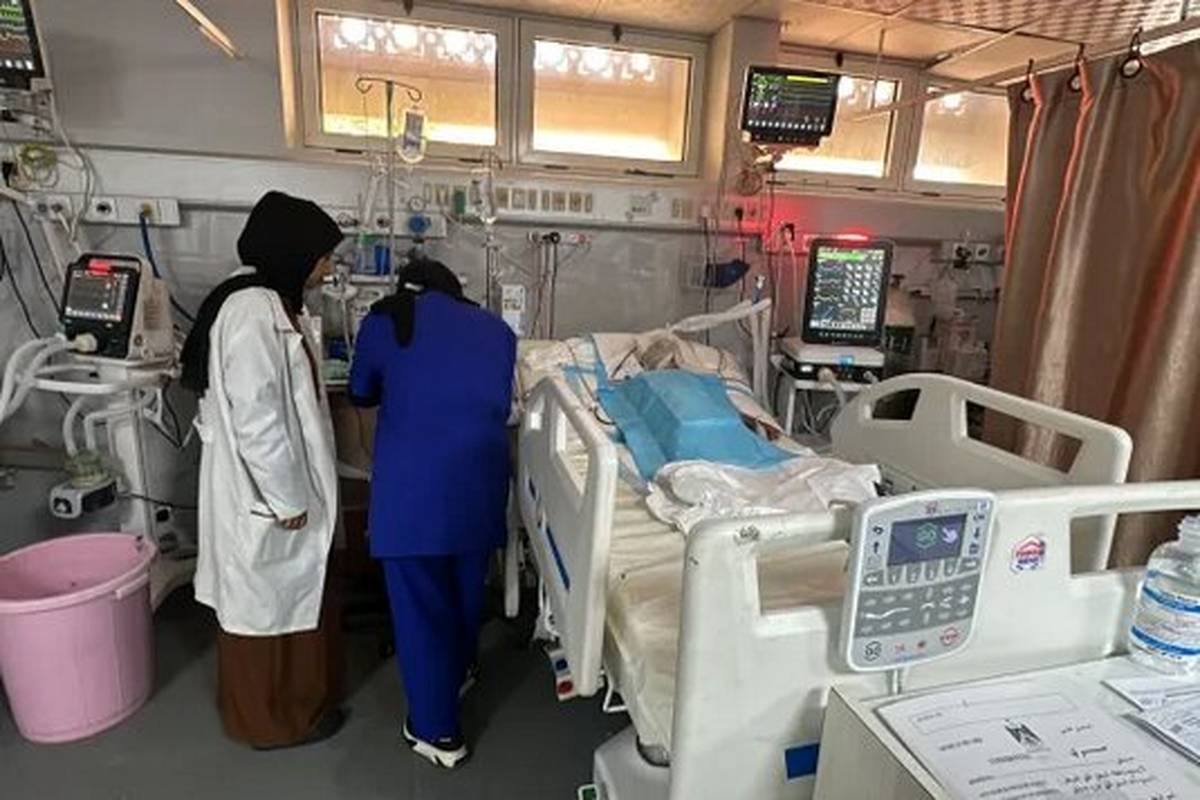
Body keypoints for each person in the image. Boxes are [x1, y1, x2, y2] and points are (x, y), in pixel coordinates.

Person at [180, 190, 346, 749]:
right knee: (266, 612)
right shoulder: (252, 311)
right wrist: (287, 499)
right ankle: (271, 725)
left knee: (283, 604)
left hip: (272, 491)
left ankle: (295, 710)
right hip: (267, 497)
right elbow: (258, 419)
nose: (327, 270)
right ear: (293, 252)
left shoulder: (265, 302)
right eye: (323, 258)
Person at [349, 256, 516, 768]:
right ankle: (461, 671)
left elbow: (360, 391)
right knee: (465, 593)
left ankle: (437, 731)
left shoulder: (386, 319)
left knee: (421, 612)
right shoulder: (498, 330)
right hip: (480, 488)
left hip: (413, 497)